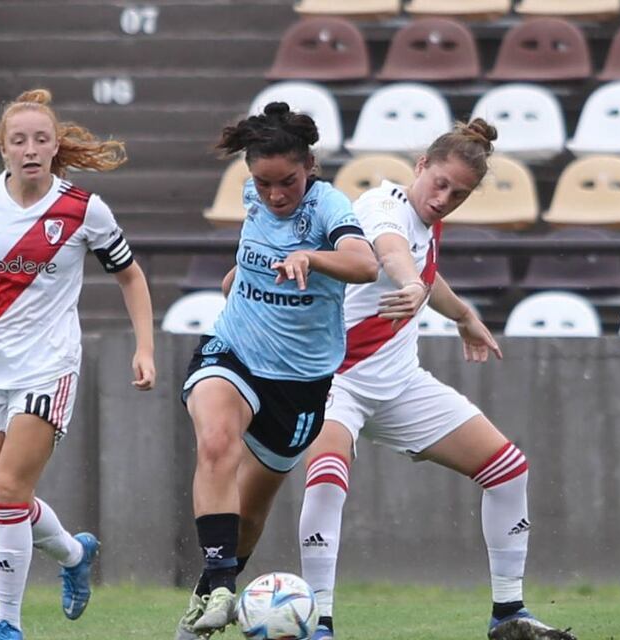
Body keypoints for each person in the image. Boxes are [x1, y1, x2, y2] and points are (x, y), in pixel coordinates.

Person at [297, 119, 576, 640]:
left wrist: (463, 314)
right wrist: (408, 284)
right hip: (337, 381)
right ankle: (319, 623)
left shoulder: (429, 220)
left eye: (460, 193)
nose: (445, 198)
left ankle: (509, 615)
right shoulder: (382, 204)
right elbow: (392, 249)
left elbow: (424, 267)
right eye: (440, 183)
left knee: (508, 469)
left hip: (400, 383)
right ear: (420, 166)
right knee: (328, 473)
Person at [0, 89, 156, 640]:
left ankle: (6, 623)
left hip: (49, 368)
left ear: (56, 146)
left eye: (41, 139)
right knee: (9, 500)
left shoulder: (83, 208)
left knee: (8, 489)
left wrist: (144, 346)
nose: (30, 149)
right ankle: (75, 554)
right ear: (2, 148)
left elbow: (131, 275)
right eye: (18, 140)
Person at [175, 102, 378, 639]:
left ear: (309, 165)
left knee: (251, 511)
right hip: (234, 349)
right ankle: (221, 585)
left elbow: (365, 264)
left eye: (286, 182)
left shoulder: (329, 206)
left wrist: (312, 257)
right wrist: (240, 277)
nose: (274, 196)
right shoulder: (254, 195)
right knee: (217, 440)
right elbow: (258, 247)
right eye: (262, 184)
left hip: (299, 383)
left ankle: (207, 593)